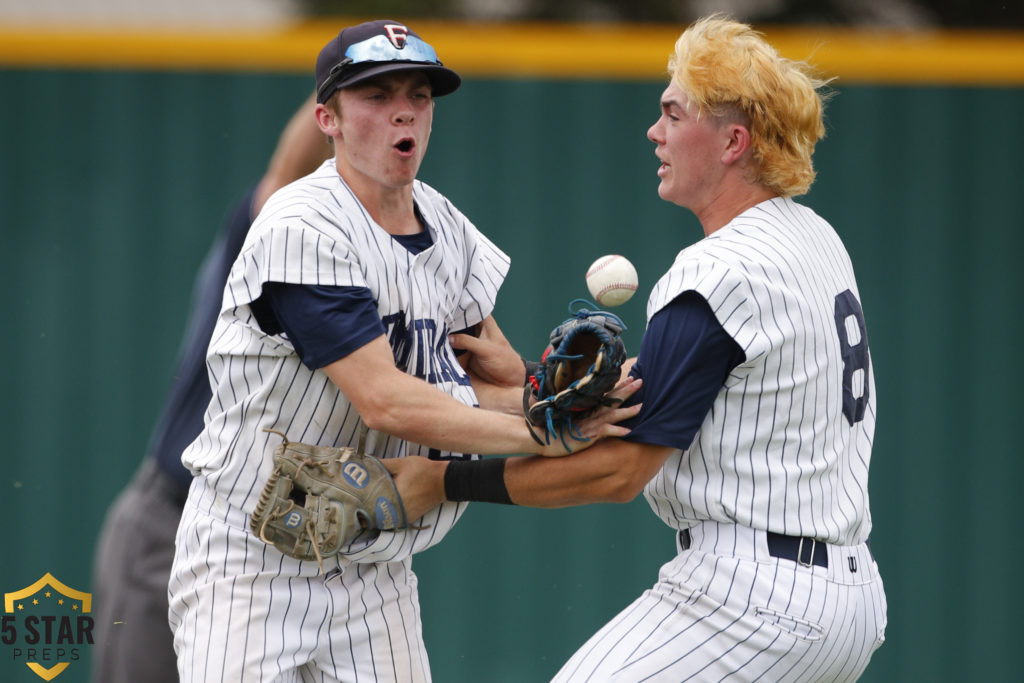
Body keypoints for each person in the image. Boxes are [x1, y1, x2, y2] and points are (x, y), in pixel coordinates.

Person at [385, 14, 888, 682]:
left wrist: (444, 481)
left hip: (752, 601)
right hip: (847, 595)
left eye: (674, 113)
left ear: (733, 140)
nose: (655, 131)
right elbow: (666, 405)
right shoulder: (815, 238)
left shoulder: (720, 272)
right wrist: (529, 384)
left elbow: (617, 470)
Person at [166, 19, 638, 683]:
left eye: (418, 95)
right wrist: (538, 431)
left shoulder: (446, 228)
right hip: (249, 562)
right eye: (376, 95)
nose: (402, 112)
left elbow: (467, 384)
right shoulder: (304, 227)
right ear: (327, 118)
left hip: (373, 566)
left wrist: (547, 393)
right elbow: (386, 399)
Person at [89, 94, 331, 683]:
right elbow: (286, 171)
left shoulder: (371, 282)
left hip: (271, 558)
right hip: (169, 528)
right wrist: (346, 78)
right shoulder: (275, 242)